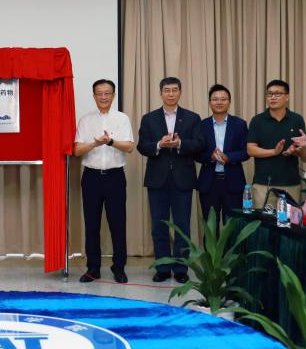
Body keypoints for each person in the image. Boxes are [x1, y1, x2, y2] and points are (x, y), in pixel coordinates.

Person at [137, 77, 204, 283]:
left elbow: (199, 144)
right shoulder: (149, 119)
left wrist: (180, 144)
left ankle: (181, 269)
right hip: (157, 180)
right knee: (159, 226)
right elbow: (142, 146)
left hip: (183, 179)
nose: (171, 94)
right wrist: (159, 144)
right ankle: (163, 268)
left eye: (175, 90)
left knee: (182, 226)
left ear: (180, 92)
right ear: (161, 93)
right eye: (167, 90)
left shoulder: (192, 118)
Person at [73, 79, 135, 284]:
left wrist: (110, 141)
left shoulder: (122, 119)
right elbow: (77, 150)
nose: (103, 97)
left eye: (107, 93)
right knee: (92, 225)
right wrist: (95, 143)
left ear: (113, 95)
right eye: (99, 93)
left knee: (118, 224)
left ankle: (119, 268)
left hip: (115, 177)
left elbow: (129, 147)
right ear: (94, 96)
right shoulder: (85, 120)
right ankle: (93, 269)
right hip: (91, 177)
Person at [246, 80, 306, 209]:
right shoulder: (257, 120)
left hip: (291, 183)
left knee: (290, 221)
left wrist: (295, 150)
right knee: (263, 220)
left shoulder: (297, 119)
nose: (273, 97)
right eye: (269, 94)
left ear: (287, 97)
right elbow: (250, 150)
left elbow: (305, 156)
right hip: (263, 183)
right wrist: (274, 152)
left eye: (277, 94)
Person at [196, 84, 249, 223]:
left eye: (223, 99)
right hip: (209, 183)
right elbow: (196, 153)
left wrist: (228, 157)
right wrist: (210, 157)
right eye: (215, 99)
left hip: (233, 183)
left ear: (229, 102)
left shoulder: (240, 124)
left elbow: (246, 152)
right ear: (209, 102)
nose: (219, 102)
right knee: (210, 227)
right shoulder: (201, 125)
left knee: (233, 227)